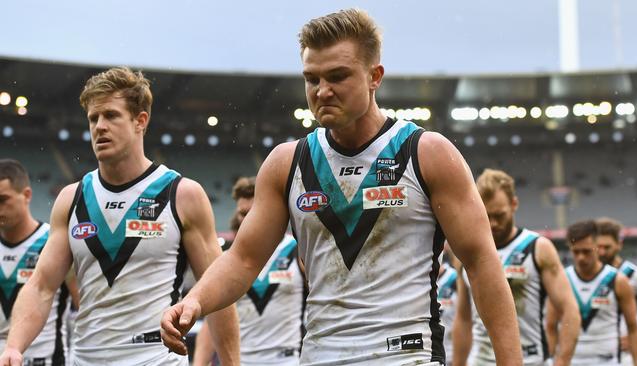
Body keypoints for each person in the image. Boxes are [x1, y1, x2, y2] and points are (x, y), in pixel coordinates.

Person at [162, 8, 521, 365]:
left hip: (406, 355)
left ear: (374, 76)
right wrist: (195, 301)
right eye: (312, 79)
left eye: (338, 76)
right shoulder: (287, 163)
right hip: (320, 356)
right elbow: (243, 259)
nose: (323, 91)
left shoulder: (428, 153)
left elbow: (481, 263)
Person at [0, 67, 240, 366]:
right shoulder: (71, 199)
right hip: (85, 360)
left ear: (141, 121)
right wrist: (13, 346)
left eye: (111, 115)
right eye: (93, 118)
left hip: (155, 360)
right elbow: (41, 286)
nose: (99, 126)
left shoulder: (182, 194)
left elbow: (217, 293)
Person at [453, 169, 580, 366]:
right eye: (487, 216)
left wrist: (562, 361)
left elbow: (569, 310)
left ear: (514, 204)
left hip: (530, 360)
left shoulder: (538, 248)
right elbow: (463, 318)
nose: (493, 223)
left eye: (499, 215)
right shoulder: (465, 252)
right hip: (480, 361)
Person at [193, 176, 304, 366]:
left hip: (287, 360)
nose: (248, 219)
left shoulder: (297, 248)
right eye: (243, 213)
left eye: (253, 212)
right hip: (239, 361)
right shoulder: (226, 262)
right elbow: (214, 319)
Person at [0, 159, 75, 365]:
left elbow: (84, 306)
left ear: (26, 195)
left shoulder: (54, 243)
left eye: (2, 199)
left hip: (46, 360)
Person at [546, 220, 637, 365]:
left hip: (609, 360)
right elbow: (551, 326)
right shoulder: (561, 280)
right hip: (572, 360)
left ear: (596, 248)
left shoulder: (619, 280)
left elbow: (633, 328)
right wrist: (551, 359)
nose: (581, 257)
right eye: (576, 252)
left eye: (586, 251)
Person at [596, 217, 637, 365]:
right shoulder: (584, 275)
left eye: (607, 247)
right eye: (597, 247)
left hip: (625, 357)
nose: (601, 252)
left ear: (619, 245)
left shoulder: (633, 274)